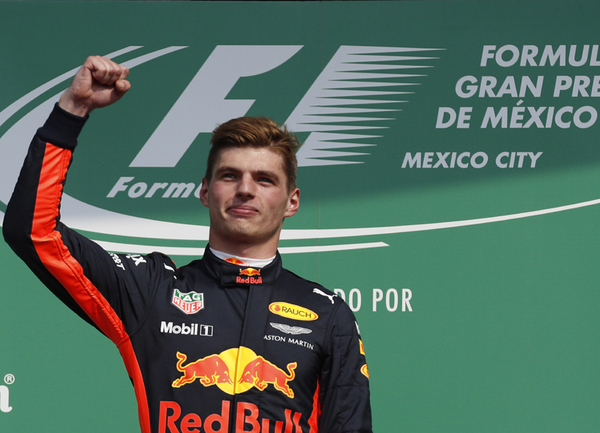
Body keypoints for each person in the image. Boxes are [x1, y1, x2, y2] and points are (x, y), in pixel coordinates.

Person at [3, 56, 372, 433]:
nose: (245, 189)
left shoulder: (327, 313)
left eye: (264, 179)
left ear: (292, 201)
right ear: (205, 191)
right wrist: (73, 110)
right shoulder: (151, 290)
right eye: (230, 176)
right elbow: (32, 231)